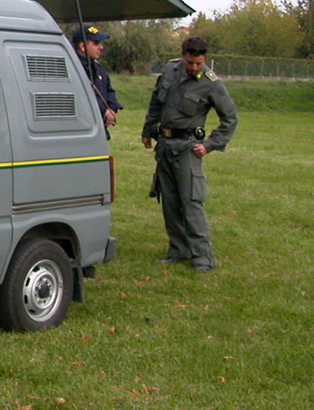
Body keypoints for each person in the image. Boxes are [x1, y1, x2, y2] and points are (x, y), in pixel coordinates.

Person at [141, 36, 238, 272]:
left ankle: (202, 257)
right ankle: (178, 250)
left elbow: (230, 117)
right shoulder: (170, 71)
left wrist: (210, 144)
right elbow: (156, 101)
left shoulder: (211, 83)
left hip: (188, 149)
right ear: (183, 54)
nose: (194, 67)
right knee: (170, 202)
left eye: (199, 63)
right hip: (164, 145)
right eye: (191, 62)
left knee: (192, 202)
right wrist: (147, 129)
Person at [73, 25, 122, 138]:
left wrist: (111, 109)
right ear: (83, 46)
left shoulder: (98, 67)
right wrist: (104, 110)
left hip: (100, 131)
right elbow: (80, 100)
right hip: (82, 132)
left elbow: (109, 91)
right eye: (96, 43)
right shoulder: (73, 68)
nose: (101, 47)